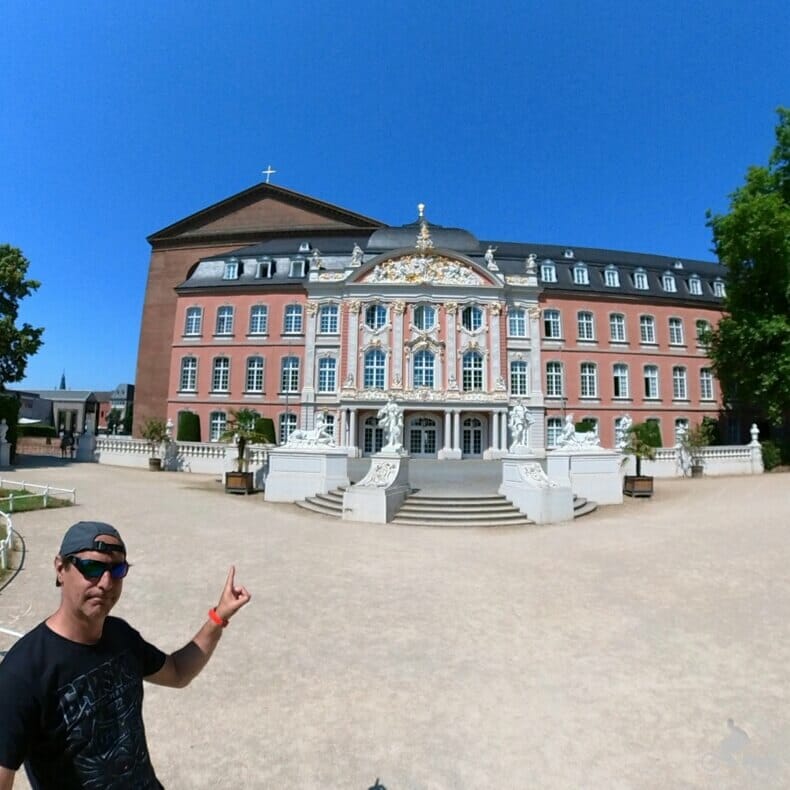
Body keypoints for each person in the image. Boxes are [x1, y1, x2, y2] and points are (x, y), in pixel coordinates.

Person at [0, 520, 251, 789]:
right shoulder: (22, 673)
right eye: (92, 567)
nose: (106, 582)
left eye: (117, 569)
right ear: (61, 569)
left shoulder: (120, 636)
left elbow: (178, 672)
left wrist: (219, 616)